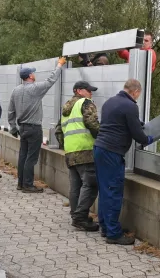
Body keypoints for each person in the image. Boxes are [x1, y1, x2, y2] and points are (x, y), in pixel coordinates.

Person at [94, 79, 153, 245]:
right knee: (113, 191)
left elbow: (119, 122)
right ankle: (113, 234)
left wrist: (137, 123)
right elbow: (137, 134)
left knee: (105, 190)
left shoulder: (110, 102)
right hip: (112, 152)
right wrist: (148, 138)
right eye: (138, 95)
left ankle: (106, 227)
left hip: (99, 148)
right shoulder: (130, 105)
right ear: (135, 92)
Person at [8, 57, 67, 193]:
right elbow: (51, 80)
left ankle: (21, 184)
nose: (34, 75)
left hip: (22, 128)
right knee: (31, 157)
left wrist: (12, 127)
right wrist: (59, 65)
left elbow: (11, 111)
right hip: (34, 128)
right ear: (30, 76)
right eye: (33, 73)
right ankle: (28, 185)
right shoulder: (35, 88)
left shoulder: (15, 90)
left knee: (23, 155)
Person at [54, 81, 101, 232]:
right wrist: (101, 138)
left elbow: (58, 130)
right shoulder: (85, 103)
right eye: (88, 90)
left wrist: (65, 146)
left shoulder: (67, 106)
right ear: (79, 91)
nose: (91, 93)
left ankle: (76, 215)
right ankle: (80, 218)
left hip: (70, 152)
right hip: (85, 151)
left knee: (76, 186)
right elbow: (91, 123)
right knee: (91, 185)